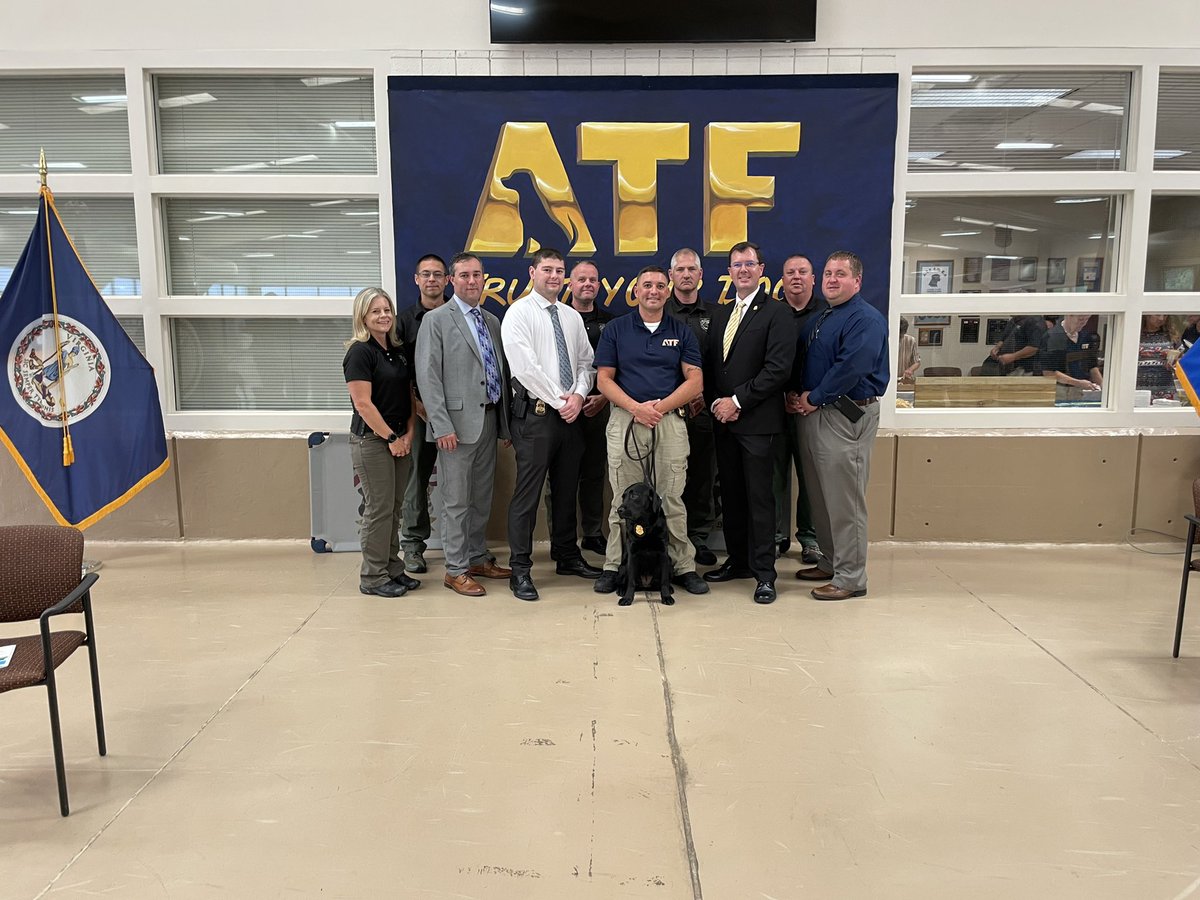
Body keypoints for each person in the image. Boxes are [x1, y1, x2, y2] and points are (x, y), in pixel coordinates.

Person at [592, 266, 708, 597]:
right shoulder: (616, 329)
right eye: (647, 285)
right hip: (626, 420)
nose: (653, 291)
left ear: (668, 291)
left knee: (670, 498)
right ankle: (614, 566)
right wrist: (636, 408)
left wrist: (658, 408)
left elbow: (695, 380)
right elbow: (604, 380)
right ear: (636, 291)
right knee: (623, 500)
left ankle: (683, 566)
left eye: (660, 285)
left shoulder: (681, 331)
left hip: (667, 421)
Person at [501, 247, 602, 602]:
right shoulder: (518, 314)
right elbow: (525, 369)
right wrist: (563, 401)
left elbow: (586, 363)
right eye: (547, 269)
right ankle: (521, 569)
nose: (554, 276)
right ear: (532, 273)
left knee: (566, 491)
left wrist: (578, 395)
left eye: (560, 271)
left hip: (569, 417)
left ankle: (567, 555)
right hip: (537, 416)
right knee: (527, 496)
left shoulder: (571, 317)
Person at [702, 242, 796, 604]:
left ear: (761, 269)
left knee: (760, 500)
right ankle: (738, 561)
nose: (743, 270)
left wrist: (738, 401)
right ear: (729, 271)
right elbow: (712, 368)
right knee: (733, 497)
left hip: (757, 423)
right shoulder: (722, 314)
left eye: (749, 264)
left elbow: (778, 369)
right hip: (724, 422)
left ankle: (765, 574)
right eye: (736, 264)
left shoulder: (777, 313)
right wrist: (717, 403)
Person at [414, 252, 512, 597]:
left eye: (477, 275)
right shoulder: (437, 320)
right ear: (452, 280)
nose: (472, 281)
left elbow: (498, 373)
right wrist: (441, 426)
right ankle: (454, 569)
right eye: (465, 275)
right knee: (456, 500)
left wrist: (504, 425)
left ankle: (475, 557)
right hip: (454, 426)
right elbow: (428, 377)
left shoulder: (491, 321)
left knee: (481, 497)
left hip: (487, 420)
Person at [793, 251, 889, 601]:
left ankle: (851, 578)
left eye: (841, 274)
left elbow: (852, 367)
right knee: (821, 496)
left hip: (845, 415)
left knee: (846, 501)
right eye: (829, 273)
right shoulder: (826, 317)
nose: (833, 279)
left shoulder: (865, 319)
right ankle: (832, 562)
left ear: (857, 281)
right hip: (816, 412)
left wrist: (813, 397)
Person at [343, 287, 422, 598]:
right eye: (376, 311)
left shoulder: (397, 350)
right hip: (372, 441)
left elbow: (409, 396)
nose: (384, 316)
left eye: (387, 310)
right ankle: (373, 577)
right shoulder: (359, 352)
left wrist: (409, 434)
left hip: (401, 439)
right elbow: (363, 404)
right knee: (378, 509)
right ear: (363, 316)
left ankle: (392, 568)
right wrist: (390, 437)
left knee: (394, 508)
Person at [665, 247, 719, 566]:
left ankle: (697, 537)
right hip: (668, 412)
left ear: (701, 275)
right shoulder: (659, 314)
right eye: (680, 269)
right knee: (668, 478)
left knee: (701, 477)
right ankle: (669, 538)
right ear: (671, 275)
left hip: (704, 413)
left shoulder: (717, 315)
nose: (686, 274)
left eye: (692, 269)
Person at [395, 253, 448, 574]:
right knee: (416, 481)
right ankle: (413, 546)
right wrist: (418, 406)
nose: (432, 280)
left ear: (447, 280)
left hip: (457, 414)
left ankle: (468, 546)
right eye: (426, 274)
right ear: (416, 279)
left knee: (463, 483)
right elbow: (398, 373)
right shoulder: (402, 323)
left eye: (438, 275)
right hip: (420, 416)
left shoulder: (461, 316)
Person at [774, 253, 826, 566]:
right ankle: (777, 536)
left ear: (813, 278)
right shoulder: (771, 313)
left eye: (803, 271)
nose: (796, 277)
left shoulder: (826, 313)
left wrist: (810, 397)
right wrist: (782, 395)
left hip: (813, 409)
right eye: (790, 272)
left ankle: (809, 538)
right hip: (776, 408)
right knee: (774, 477)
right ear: (781, 279)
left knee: (811, 479)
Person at [564, 259, 613, 556]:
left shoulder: (611, 322)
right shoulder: (556, 318)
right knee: (560, 477)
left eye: (593, 280)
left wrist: (604, 398)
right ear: (570, 283)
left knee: (595, 474)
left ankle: (593, 533)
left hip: (598, 406)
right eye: (581, 279)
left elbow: (618, 366)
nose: (587, 284)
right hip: (562, 408)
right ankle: (564, 536)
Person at [1040, 313, 1103, 403]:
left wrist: (1104, 387)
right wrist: (1078, 383)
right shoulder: (1052, 336)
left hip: (1080, 391)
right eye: (1081, 319)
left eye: (1087, 319)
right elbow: (1049, 372)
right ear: (1069, 315)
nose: (1083, 323)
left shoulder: (1086, 336)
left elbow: (1092, 366)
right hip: (1058, 390)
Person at [1138, 313, 1181, 400]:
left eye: (1165, 315)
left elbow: (1182, 360)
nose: (1161, 319)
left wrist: (1176, 362)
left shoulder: (1172, 336)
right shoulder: (1135, 335)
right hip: (1139, 390)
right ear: (1147, 315)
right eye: (1157, 315)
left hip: (1166, 390)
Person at [897, 317, 920, 383]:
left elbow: (917, 361)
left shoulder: (911, 340)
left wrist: (910, 370)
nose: (899, 338)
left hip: (904, 379)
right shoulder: (885, 339)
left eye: (901, 336)